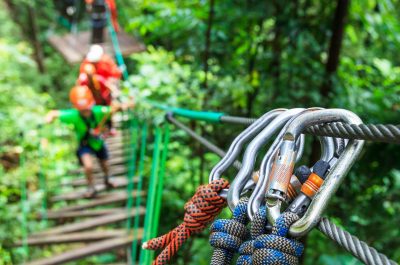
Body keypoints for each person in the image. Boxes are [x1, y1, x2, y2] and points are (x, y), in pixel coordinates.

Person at [45, 85, 134, 197]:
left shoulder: (98, 111)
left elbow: (113, 109)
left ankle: (108, 178)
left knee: (105, 163)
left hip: (98, 142)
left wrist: (125, 105)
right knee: (88, 166)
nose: (85, 111)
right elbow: (55, 113)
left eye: (87, 108)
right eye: (82, 110)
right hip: (84, 144)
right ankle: (91, 187)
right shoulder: (73, 115)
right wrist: (48, 118)